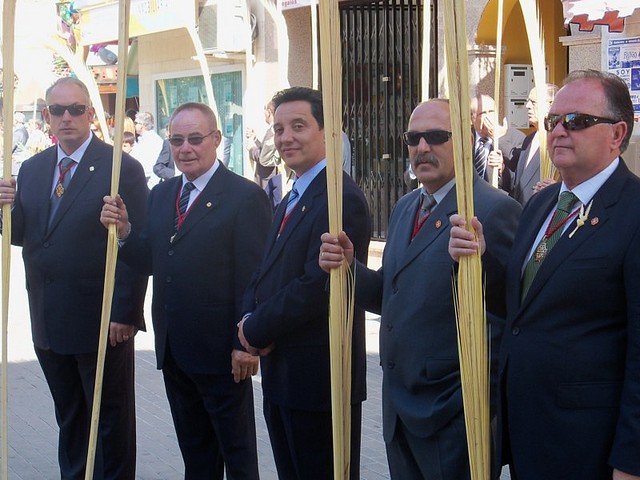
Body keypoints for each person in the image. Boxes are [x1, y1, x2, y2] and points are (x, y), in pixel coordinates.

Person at [449, 70, 640, 480]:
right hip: (529, 433)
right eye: (553, 121)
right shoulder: (542, 204)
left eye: (577, 121)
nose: (558, 132)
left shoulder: (633, 211)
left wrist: (631, 460)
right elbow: (524, 307)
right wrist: (479, 258)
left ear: (617, 132)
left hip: (590, 446)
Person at [319, 99, 521, 480]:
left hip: (454, 415)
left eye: (436, 136)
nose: (422, 147)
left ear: (463, 141)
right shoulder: (406, 207)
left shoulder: (493, 210)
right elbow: (393, 297)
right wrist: (349, 271)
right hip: (399, 406)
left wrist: (475, 402)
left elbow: (510, 310)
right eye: (413, 138)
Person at [100, 102, 271, 479]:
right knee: (196, 458)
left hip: (224, 355)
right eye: (177, 140)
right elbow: (152, 259)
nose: (185, 149)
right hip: (176, 352)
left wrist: (246, 345)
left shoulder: (244, 197)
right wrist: (126, 231)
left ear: (216, 140)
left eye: (195, 139)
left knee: (238, 459)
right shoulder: (162, 195)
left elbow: (254, 277)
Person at [0, 76, 148, 479]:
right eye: (57, 110)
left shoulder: (121, 168)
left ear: (90, 114)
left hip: (101, 321)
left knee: (110, 420)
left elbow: (138, 246)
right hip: (48, 318)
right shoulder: (32, 169)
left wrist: (126, 312)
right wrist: (5, 212)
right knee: (70, 417)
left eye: (76, 109)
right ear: (47, 115)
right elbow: (27, 237)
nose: (67, 118)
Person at [237, 87, 371, 479]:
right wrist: (246, 319)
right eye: (278, 129)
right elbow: (264, 270)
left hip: (320, 381)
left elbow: (317, 286)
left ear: (328, 133)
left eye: (298, 126)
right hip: (283, 375)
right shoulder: (291, 194)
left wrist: (256, 328)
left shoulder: (339, 197)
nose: (286, 138)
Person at [509, 84, 559, 206]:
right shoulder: (528, 140)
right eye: (528, 101)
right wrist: (502, 169)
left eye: (533, 102)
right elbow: (519, 182)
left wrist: (556, 188)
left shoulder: (559, 140)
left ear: (550, 105)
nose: (527, 106)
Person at [471, 94, 525, 190]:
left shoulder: (516, 138)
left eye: (491, 112)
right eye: (482, 113)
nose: (488, 117)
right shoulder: (464, 138)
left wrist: (499, 138)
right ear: (472, 118)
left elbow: (518, 177)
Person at [246, 100, 284, 209]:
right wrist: (255, 139)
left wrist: (251, 148)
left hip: (269, 179)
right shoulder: (273, 130)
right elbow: (266, 150)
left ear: (268, 112)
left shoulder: (273, 131)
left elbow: (264, 158)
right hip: (271, 178)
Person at [130, 111, 165, 188]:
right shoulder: (141, 139)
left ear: (142, 125)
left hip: (149, 180)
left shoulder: (154, 141)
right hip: (140, 178)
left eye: (136, 123)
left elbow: (157, 164)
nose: (134, 125)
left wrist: (150, 185)